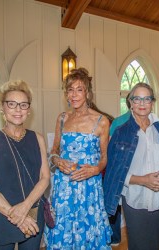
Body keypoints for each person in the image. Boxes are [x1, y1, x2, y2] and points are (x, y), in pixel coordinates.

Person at [44, 68, 112, 249]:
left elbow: (105, 157)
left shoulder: (101, 121)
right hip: (63, 187)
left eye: (79, 89)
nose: (73, 95)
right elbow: (54, 150)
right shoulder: (62, 119)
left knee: (88, 232)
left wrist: (96, 169)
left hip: (89, 187)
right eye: (70, 90)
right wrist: (57, 160)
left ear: (88, 93)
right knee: (63, 232)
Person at [0, 80, 50, 249]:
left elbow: (45, 178)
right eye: (12, 104)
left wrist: (25, 208)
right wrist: (16, 215)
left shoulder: (38, 138)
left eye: (23, 105)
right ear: (2, 107)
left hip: (32, 211)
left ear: (29, 110)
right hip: (0, 214)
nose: (18, 109)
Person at [104, 83, 159, 250]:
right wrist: (143, 180)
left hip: (158, 197)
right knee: (138, 245)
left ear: (152, 102)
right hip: (134, 197)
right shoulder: (120, 131)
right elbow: (113, 170)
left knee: (155, 244)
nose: (142, 103)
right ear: (130, 102)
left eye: (146, 99)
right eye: (137, 99)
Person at [107, 93, 131, 246]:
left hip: (118, 168)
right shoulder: (118, 122)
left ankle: (115, 238)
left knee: (115, 204)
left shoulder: (117, 121)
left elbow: (109, 149)